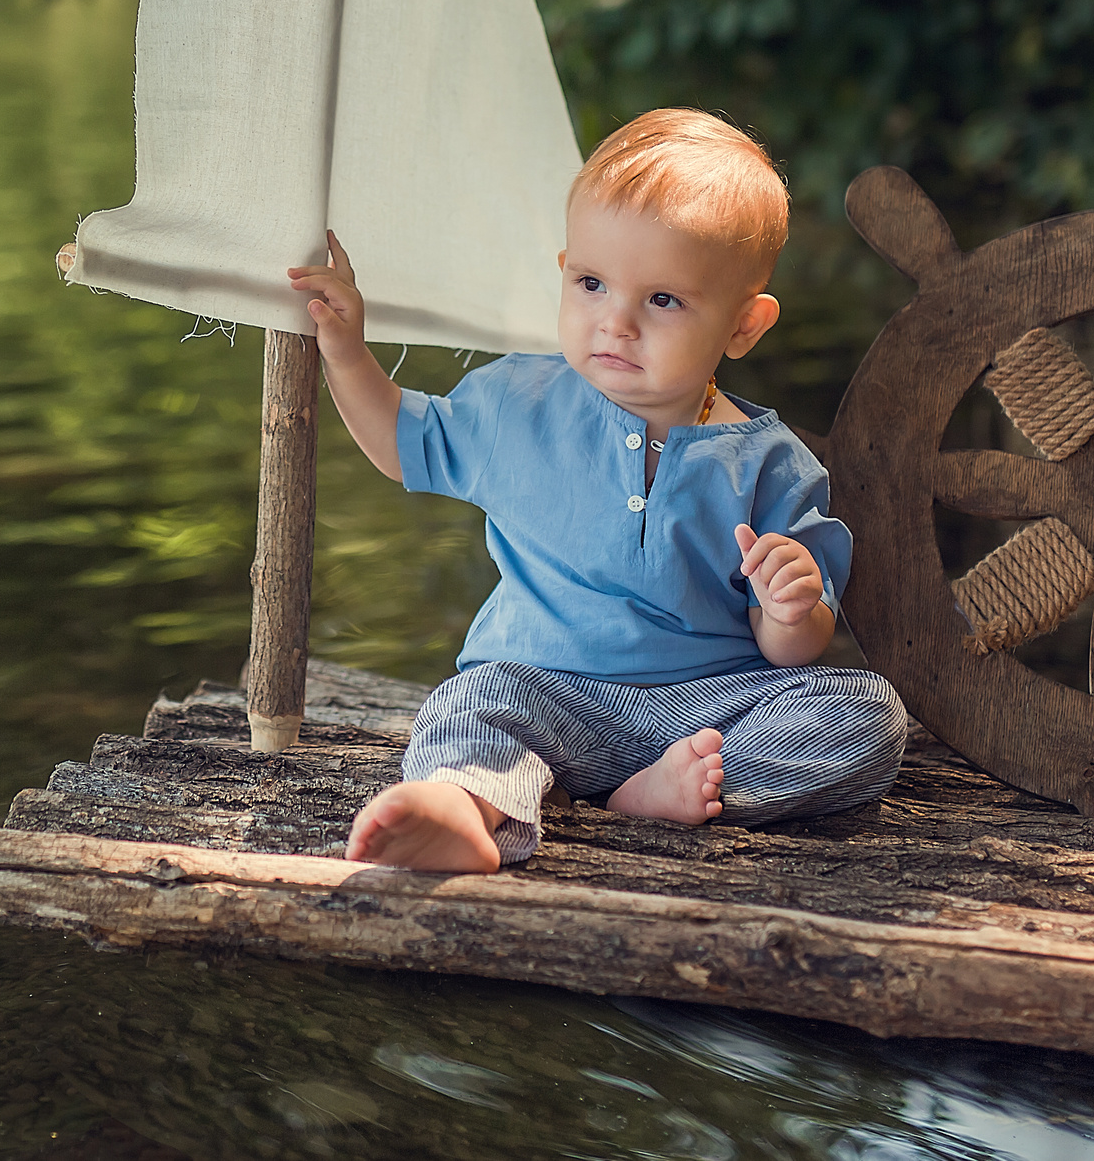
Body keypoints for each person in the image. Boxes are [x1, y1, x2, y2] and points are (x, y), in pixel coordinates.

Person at [289, 109, 905, 872]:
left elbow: (792, 649)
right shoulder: (519, 402)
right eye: (590, 282)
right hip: (548, 689)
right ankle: (459, 805)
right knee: (468, 703)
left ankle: (669, 791)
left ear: (744, 325)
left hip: (707, 708)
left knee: (864, 714)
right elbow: (400, 443)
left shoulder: (768, 462)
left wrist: (792, 606)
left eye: (663, 300)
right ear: (565, 268)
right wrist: (346, 349)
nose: (614, 321)